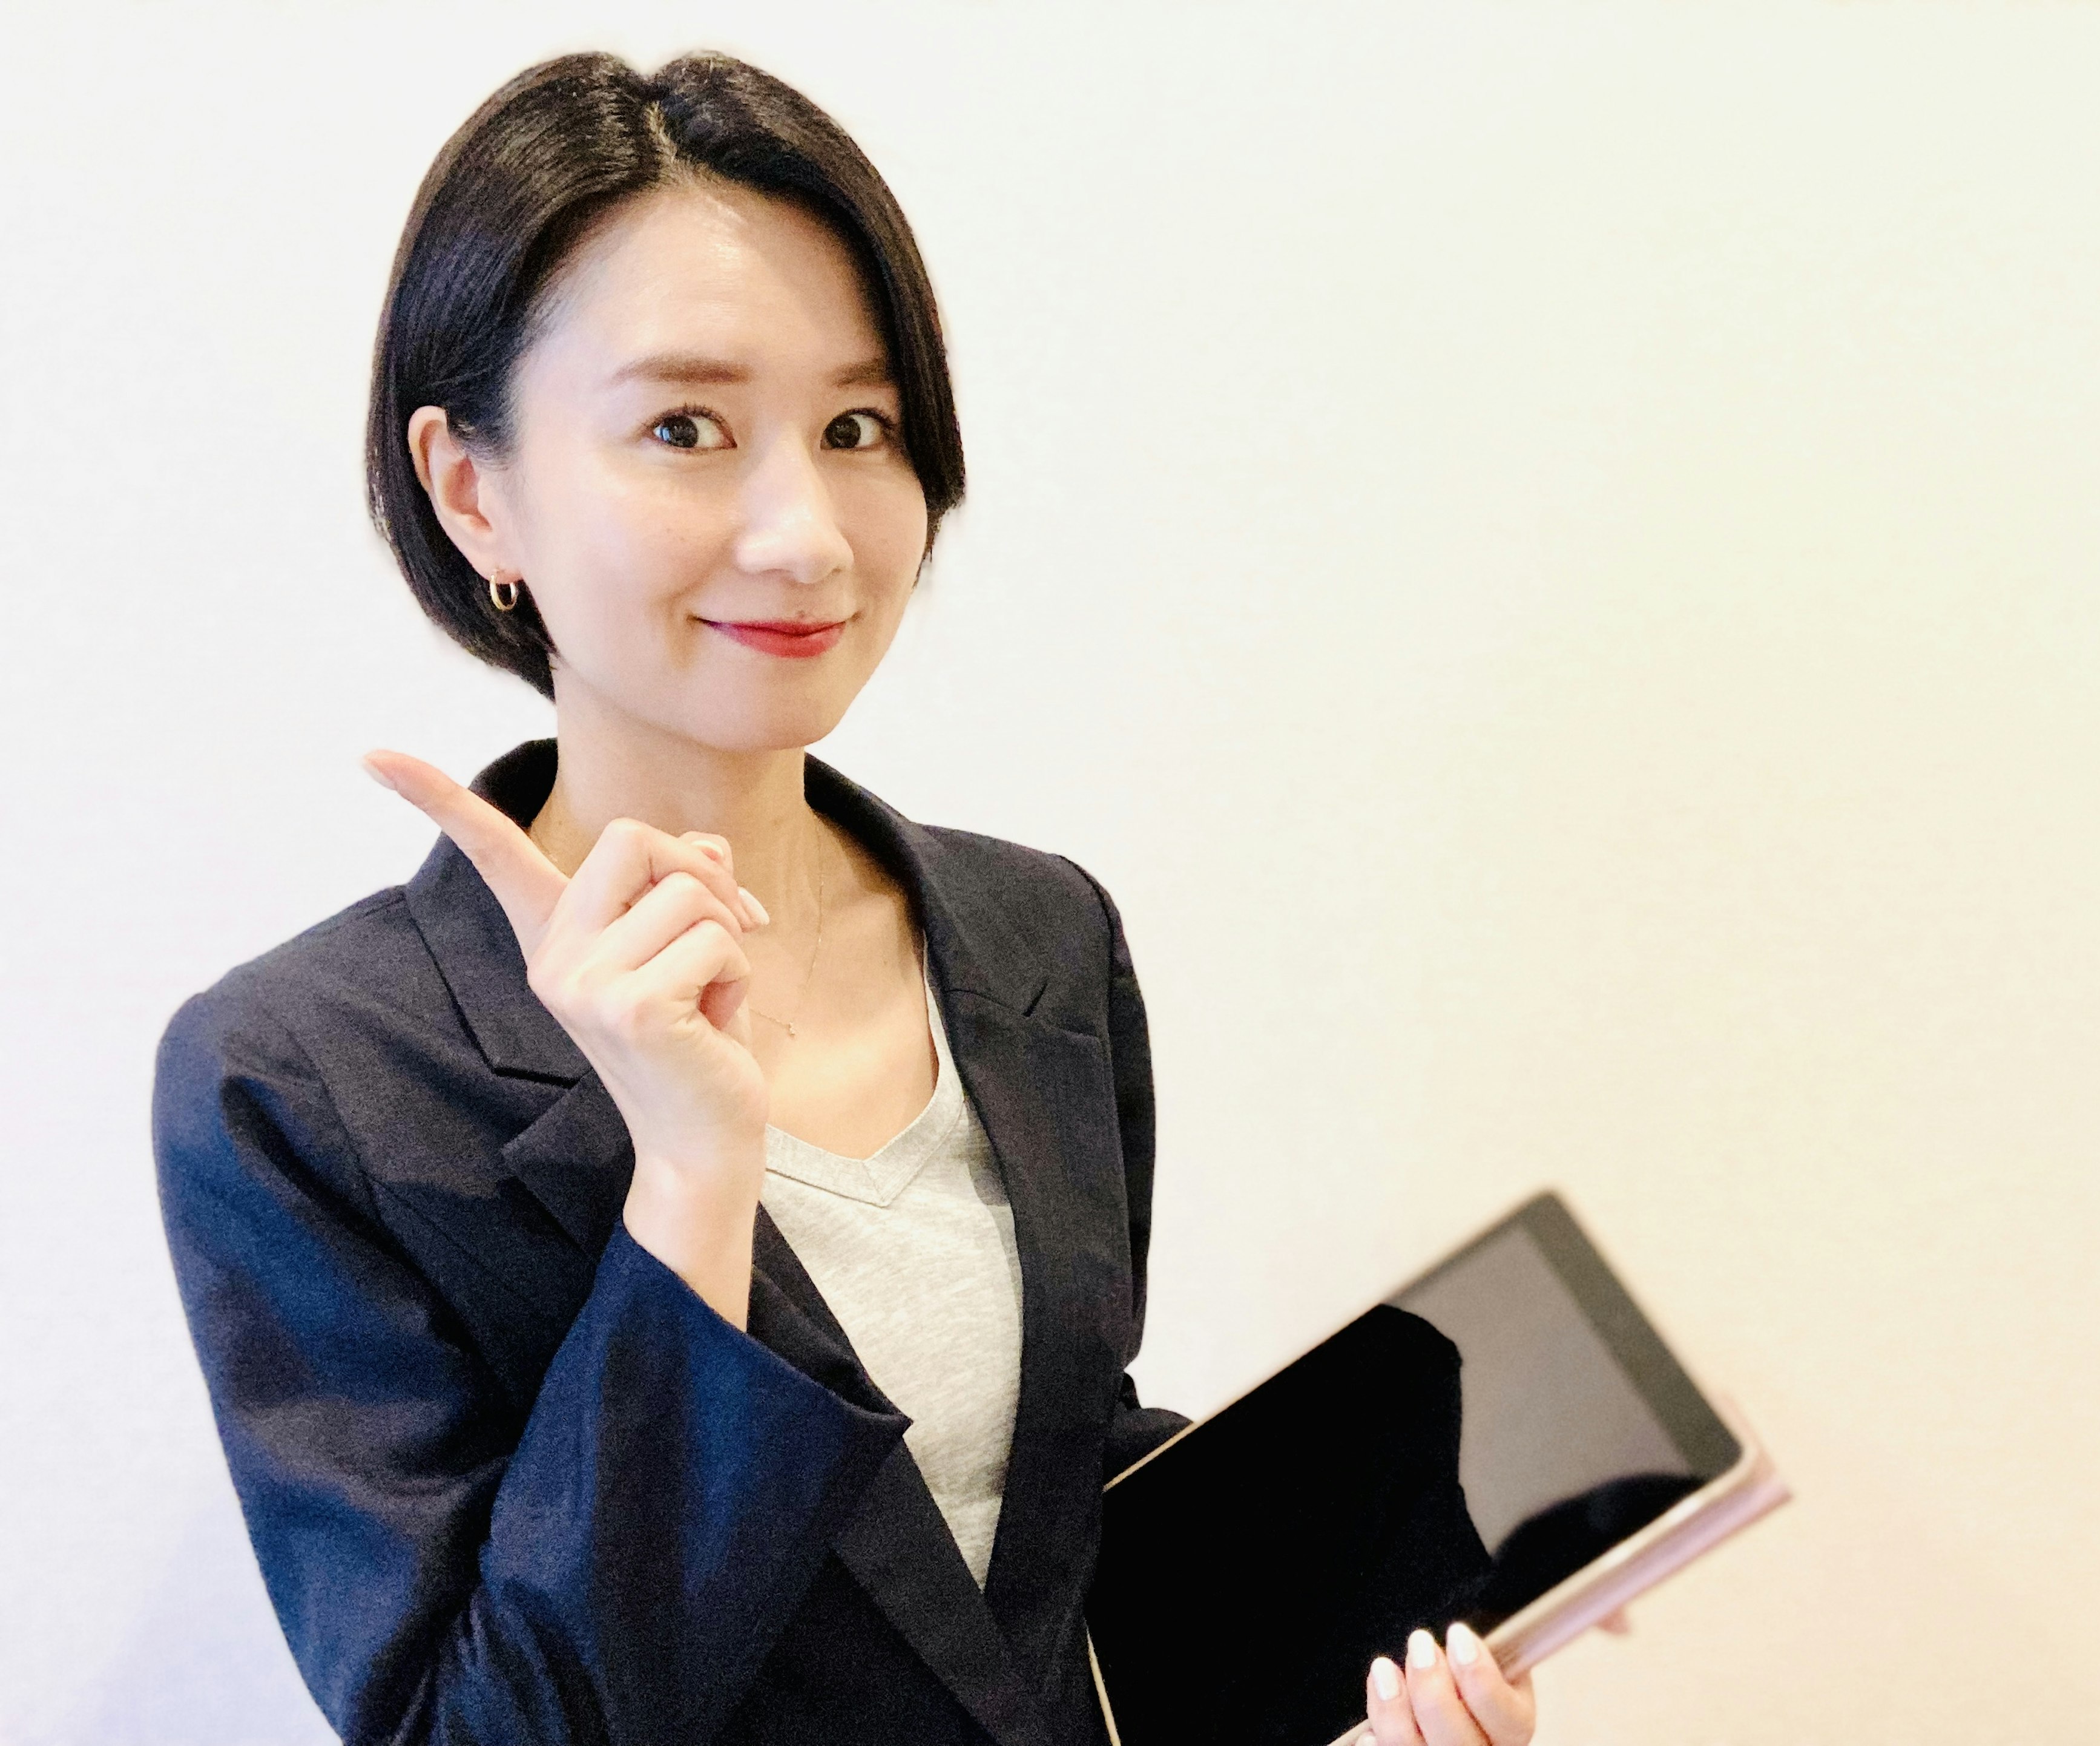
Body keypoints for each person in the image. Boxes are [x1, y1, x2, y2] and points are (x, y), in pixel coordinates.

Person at [152, 48, 1541, 1746]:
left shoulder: (1043, 942)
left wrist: (1350, 1674)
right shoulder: (306, 1077)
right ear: (472, 488)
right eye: (686, 428)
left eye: (858, 426)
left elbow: (1026, 1541)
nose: (808, 531)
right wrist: (688, 1180)